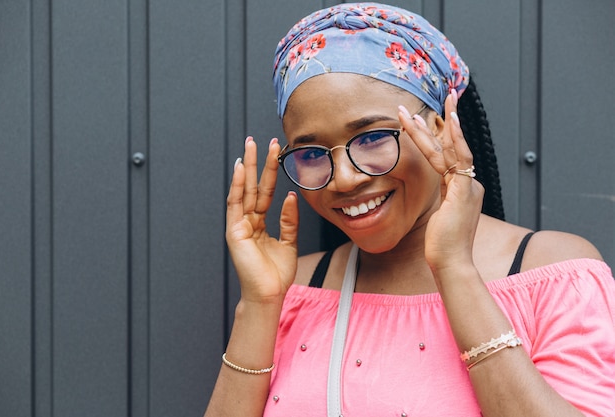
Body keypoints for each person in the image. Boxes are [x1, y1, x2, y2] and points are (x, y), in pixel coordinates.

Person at [205, 3, 615, 416]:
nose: (344, 179)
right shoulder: (293, 288)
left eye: (372, 138)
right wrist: (259, 305)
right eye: (312, 152)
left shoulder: (554, 273)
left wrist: (455, 268)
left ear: (438, 129)